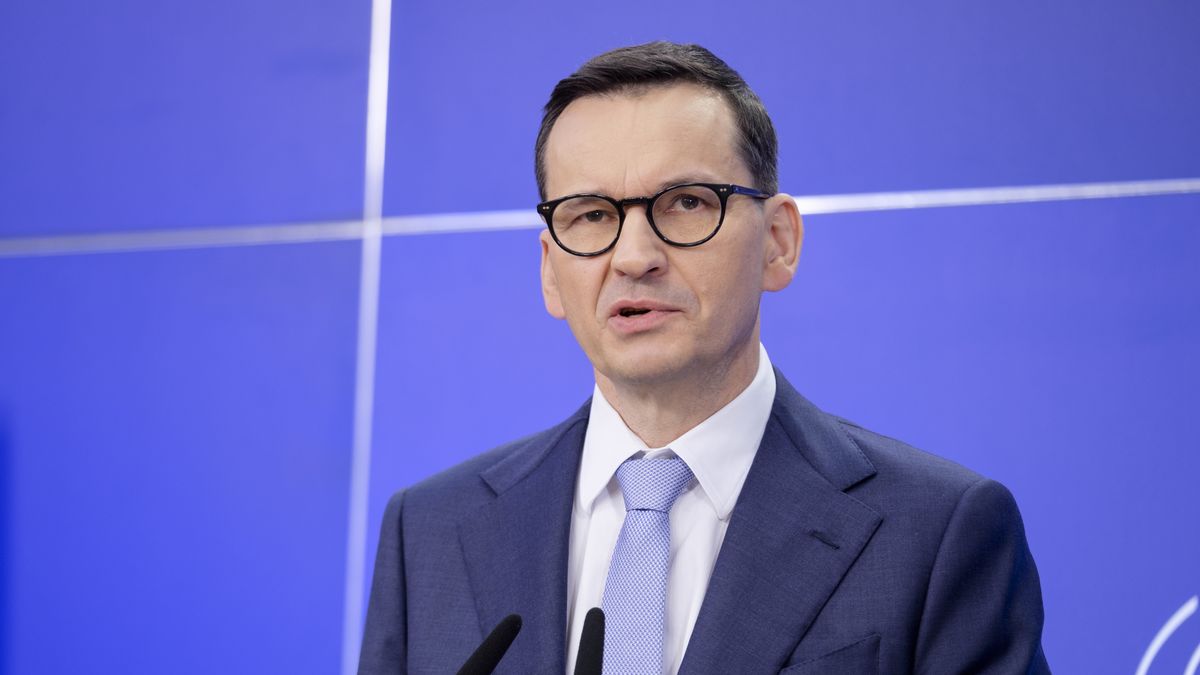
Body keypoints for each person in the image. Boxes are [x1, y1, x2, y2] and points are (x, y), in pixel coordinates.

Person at [358, 41, 1050, 674]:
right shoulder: (429, 533)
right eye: (591, 215)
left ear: (778, 241)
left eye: (687, 203)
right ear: (549, 269)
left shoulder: (935, 531)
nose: (633, 257)